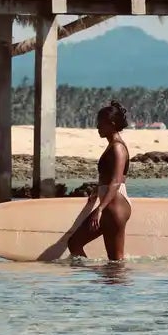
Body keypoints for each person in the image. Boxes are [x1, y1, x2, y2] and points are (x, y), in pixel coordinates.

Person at [68, 101, 133, 261]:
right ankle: (101, 283)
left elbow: (116, 181)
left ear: (111, 124)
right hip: (112, 205)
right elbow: (107, 176)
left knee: (114, 261)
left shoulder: (118, 147)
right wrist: (97, 191)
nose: (97, 127)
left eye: (100, 123)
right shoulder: (113, 145)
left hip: (113, 206)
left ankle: (99, 281)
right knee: (113, 261)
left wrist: (100, 209)